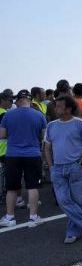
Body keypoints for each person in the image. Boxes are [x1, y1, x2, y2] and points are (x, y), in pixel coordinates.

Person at [44, 95, 82, 244]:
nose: (56, 108)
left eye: (59, 106)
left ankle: (72, 232)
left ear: (68, 109)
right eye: (56, 106)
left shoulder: (80, 124)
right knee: (63, 201)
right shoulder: (51, 125)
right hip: (58, 168)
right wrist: (51, 166)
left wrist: (80, 163)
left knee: (78, 201)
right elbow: (47, 147)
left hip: (75, 167)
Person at [0, 90, 47, 227]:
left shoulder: (8, 115)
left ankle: (10, 218)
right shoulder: (39, 115)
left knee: (12, 188)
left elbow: (2, 135)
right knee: (33, 186)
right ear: (30, 100)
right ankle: (33, 217)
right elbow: (44, 137)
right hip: (33, 154)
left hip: (13, 155)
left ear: (19, 100)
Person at [0, 92, 12, 205]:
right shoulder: (4, 114)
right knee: (4, 173)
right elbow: (5, 132)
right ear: (2, 100)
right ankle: (3, 195)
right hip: (4, 148)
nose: (11, 102)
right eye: (9, 100)